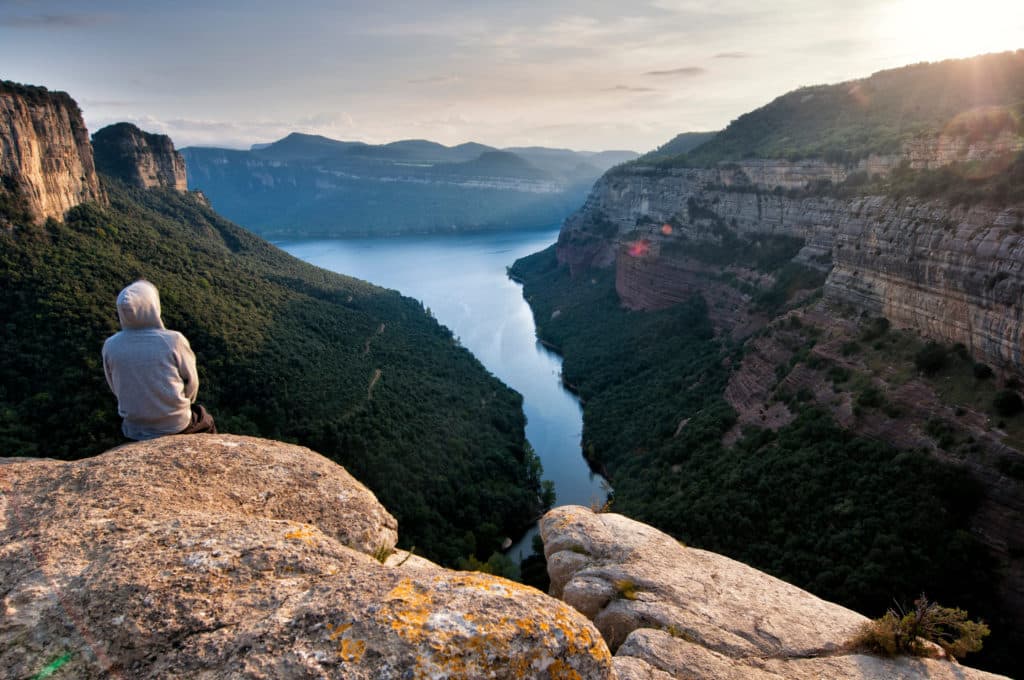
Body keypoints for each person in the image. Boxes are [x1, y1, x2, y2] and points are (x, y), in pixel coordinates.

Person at [102, 280, 216, 439]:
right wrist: (181, 403)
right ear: (152, 307)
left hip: (134, 428)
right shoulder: (173, 340)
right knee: (206, 420)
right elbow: (192, 383)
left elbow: (115, 386)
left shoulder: (110, 345)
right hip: (176, 424)